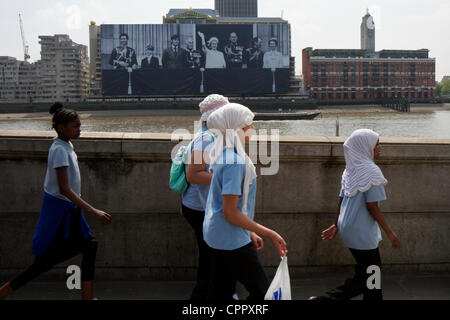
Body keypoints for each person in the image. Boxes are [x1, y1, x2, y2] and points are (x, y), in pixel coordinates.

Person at [0, 102, 113, 300]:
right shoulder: (59, 150)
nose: (79, 128)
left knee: (90, 245)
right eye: (75, 126)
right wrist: (93, 211)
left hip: (69, 211)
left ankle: (87, 297)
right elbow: (64, 189)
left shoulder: (65, 145)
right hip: (61, 213)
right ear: (61, 128)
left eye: (79, 125)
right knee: (41, 265)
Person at [203, 103, 288, 301]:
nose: (253, 128)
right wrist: (270, 233)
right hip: (230, 238)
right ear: (235, 130)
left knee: (220, 291)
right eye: (248, 124)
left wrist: (249, 231)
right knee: (262, 292)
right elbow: (230, 212)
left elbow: (229, 207)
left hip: (219, 235)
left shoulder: (225, 155)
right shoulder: (234, 162)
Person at [310, 129, 400, 301]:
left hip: (348, 228)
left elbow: (341, 200)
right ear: (366, 146)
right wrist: (390, 232)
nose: (380, 148)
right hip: (362, 231)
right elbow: (373, 207)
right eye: (377, 144)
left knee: (367, 272)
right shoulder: (372, 172)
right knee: (371, 276)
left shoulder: (350, 169)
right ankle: (324, 300)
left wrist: (336, 224)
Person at [181, 94, 230, 301]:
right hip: (200, 208)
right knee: (211, 257)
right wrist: (227, 178)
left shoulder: (213, 136)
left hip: (204, 205)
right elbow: (194, 174)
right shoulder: (206, 139)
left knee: (212, 256)